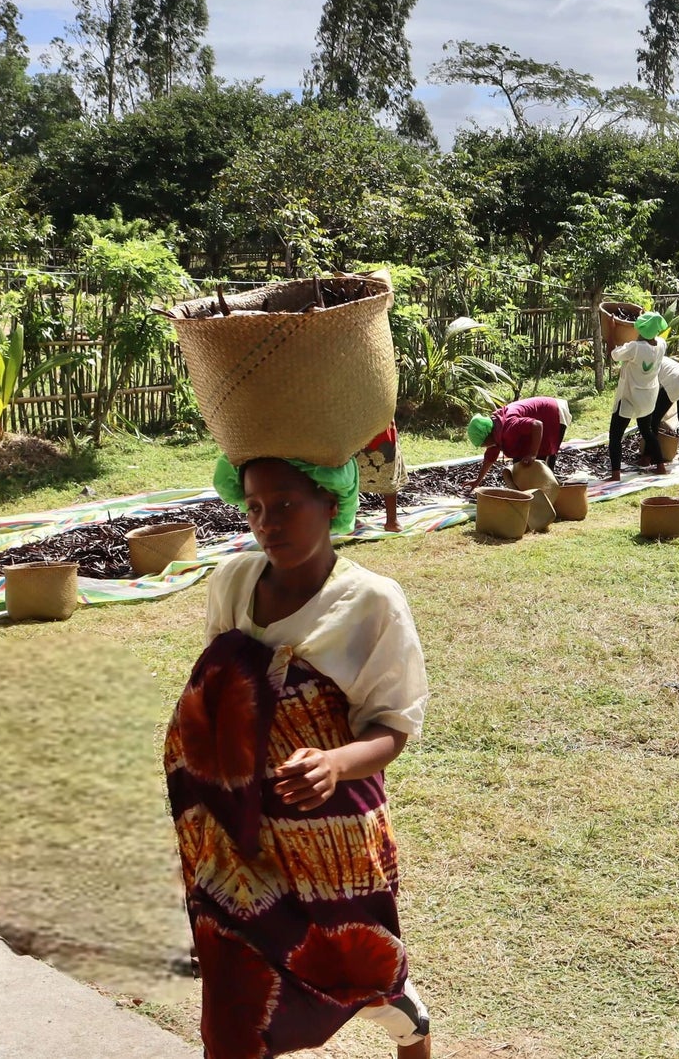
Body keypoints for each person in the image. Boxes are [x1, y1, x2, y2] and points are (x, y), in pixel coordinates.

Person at [172, 455, 431, 1058]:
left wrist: (335, 763)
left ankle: (410, 1027)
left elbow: (392, 726)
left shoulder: (370, 602)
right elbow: (220, 692)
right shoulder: (232, 582)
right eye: (255, 507)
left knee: (355, 968)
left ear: (331, 503)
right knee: (235, 1010)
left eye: (285, 504)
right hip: (240, 830)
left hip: (332, 834)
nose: (267, 523)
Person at [464, 397, 572, 491]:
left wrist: (532, 454)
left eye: (483, 444)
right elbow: (490, 458)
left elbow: (537, 425)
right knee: (522, 466)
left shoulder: (509, 427)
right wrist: (478, 480)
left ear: (487, 436)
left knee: (543, 466)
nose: (485, 446)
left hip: (553, 413)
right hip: (540, 416)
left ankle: (552, 499)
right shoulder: (496, 430)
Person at [609, 311, 668, 480]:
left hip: (629, 396)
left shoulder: (635, 348)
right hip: (648, 396)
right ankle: (660, 465)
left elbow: (614, 355)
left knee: (615, 435)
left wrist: (613, 331)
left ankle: (615, 474)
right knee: (647, 430)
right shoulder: (662, 344)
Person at [356, 423, 407, 533]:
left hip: (378, 424)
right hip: (358, 424)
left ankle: (392, 521)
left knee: (387, 464)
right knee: (351, 469)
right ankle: (348, 518)